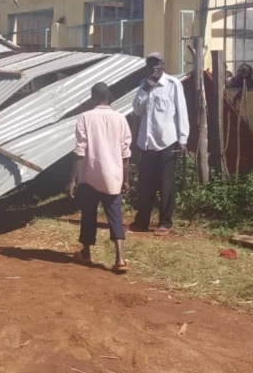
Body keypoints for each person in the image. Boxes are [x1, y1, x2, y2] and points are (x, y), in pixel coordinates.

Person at [65, 82, 132, 273]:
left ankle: (86, 253)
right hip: (114, 176)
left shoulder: (85, 117)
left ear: (93, 98)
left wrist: (72, 180)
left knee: (88, 214)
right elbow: (125, 153)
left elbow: (79, 151)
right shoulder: (120, 119)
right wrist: (126, 180)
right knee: (115, 215)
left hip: (90, 175)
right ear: (109, 97)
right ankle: (120, 258)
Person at [129, 53, 188, 236]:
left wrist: (183, 139)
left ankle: (164, 222)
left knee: (165, 184)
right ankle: (141, 221)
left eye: (157, 63)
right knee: (145, 185)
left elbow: (182, 113)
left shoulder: (172, 84)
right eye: (150, 64)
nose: (154, 67)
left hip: (167, 142)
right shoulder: (144, 85)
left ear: (163, 65)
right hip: (147, 144)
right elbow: (137, 111)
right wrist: (144, 90)